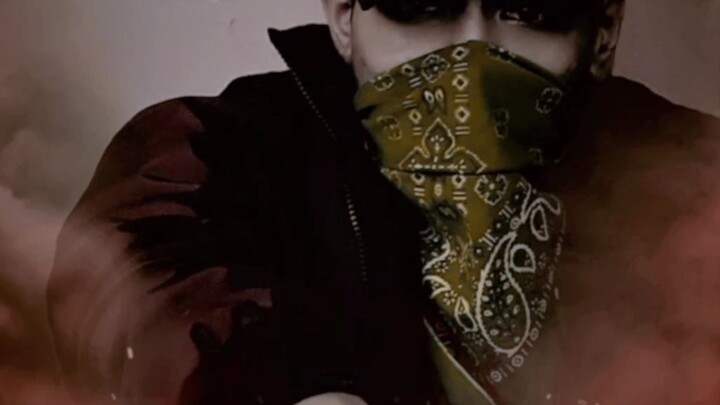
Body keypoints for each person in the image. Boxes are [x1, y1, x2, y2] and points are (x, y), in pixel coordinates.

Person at [46, 0, 720, 404]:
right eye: (419, 5)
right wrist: (281, 386)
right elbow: (135, 263)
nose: (470, 54)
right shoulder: (236, 146)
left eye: (533, 11)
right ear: (345, 16)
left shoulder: (688, 172)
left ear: (604, 32)